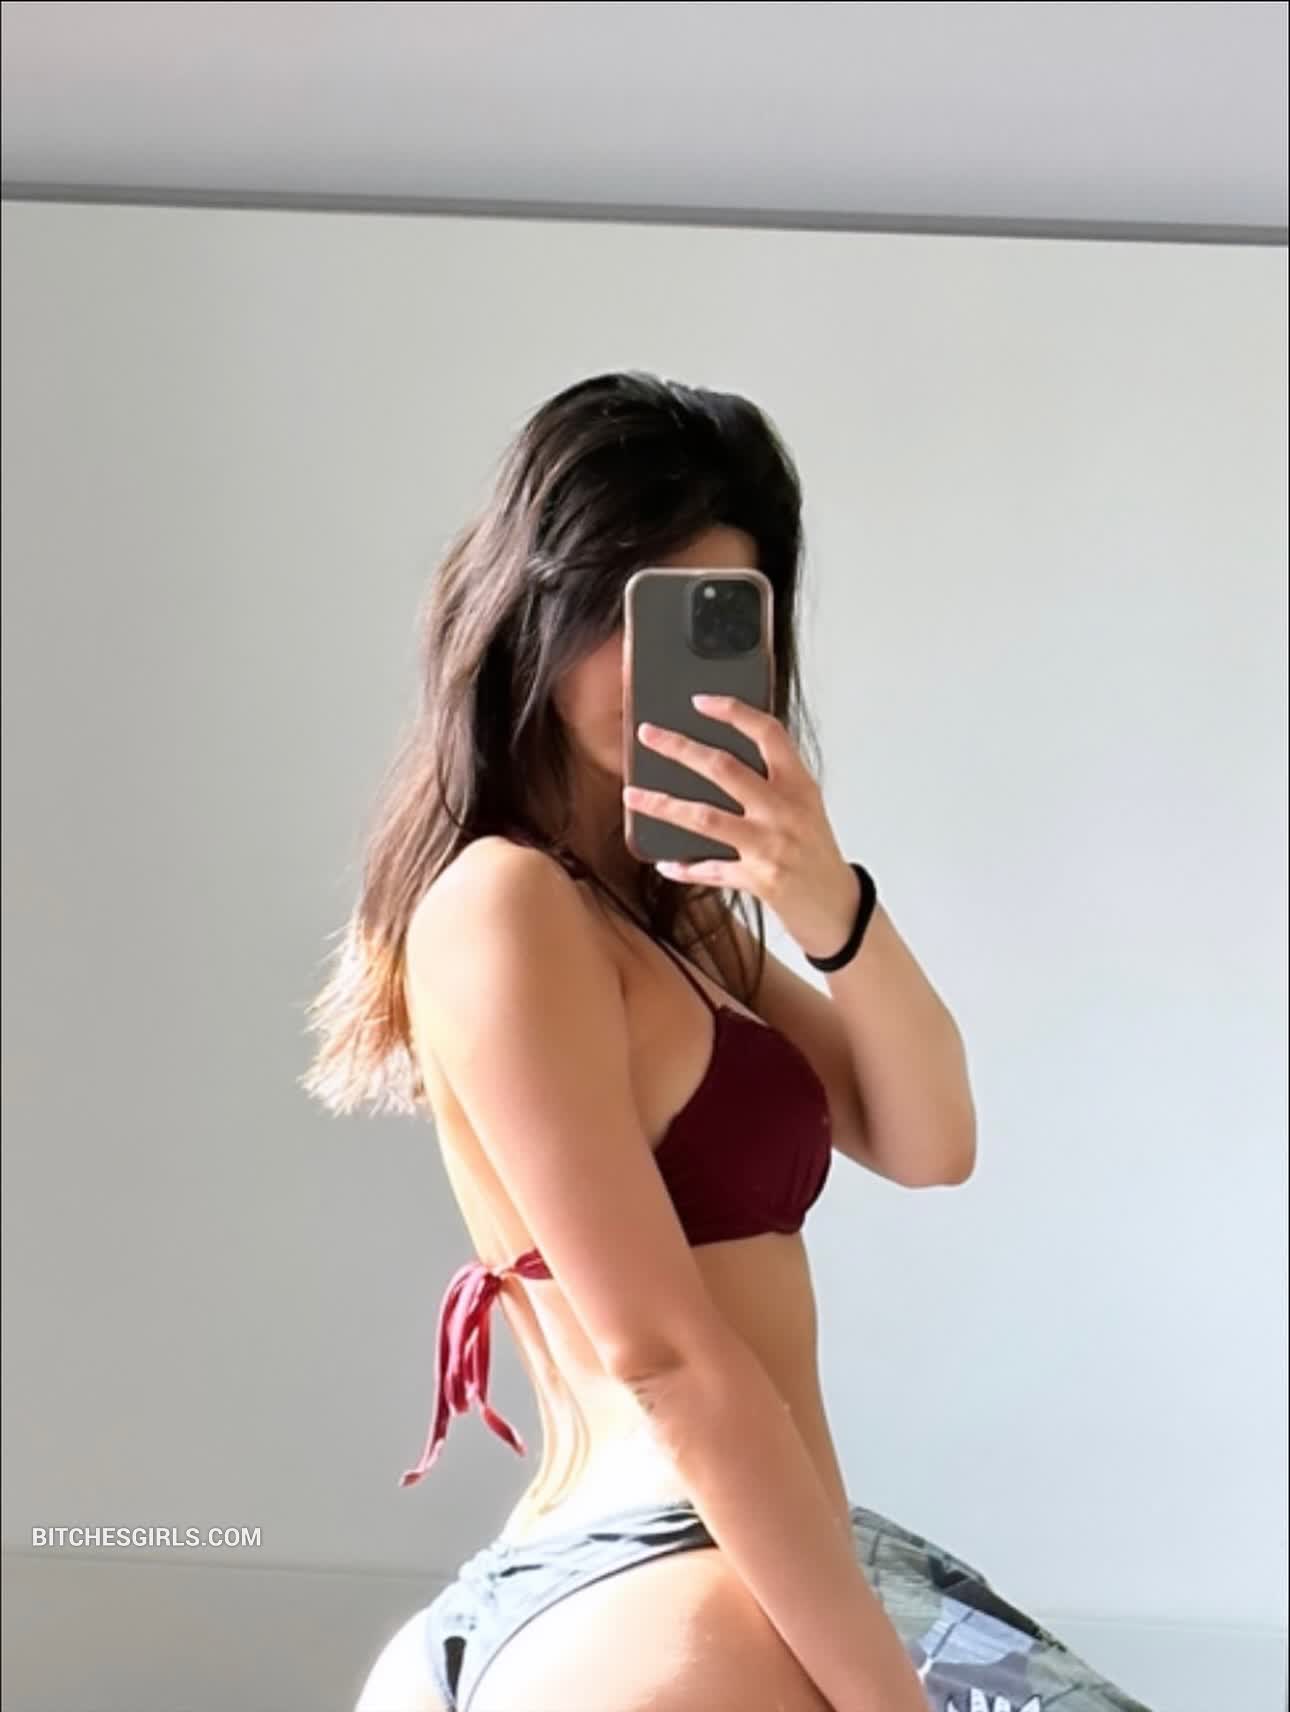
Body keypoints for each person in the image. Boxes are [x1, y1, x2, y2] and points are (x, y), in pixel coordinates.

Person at [301, 372, 1154, 1712]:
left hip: (749, 1550)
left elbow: (930, 1141)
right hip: (650, 1557)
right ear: (538, 602)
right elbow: (662, 1356)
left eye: (710, 620)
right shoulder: (504, 904)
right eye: (628, 606)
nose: (654, 672)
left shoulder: (675, 920)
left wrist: (825, 898)